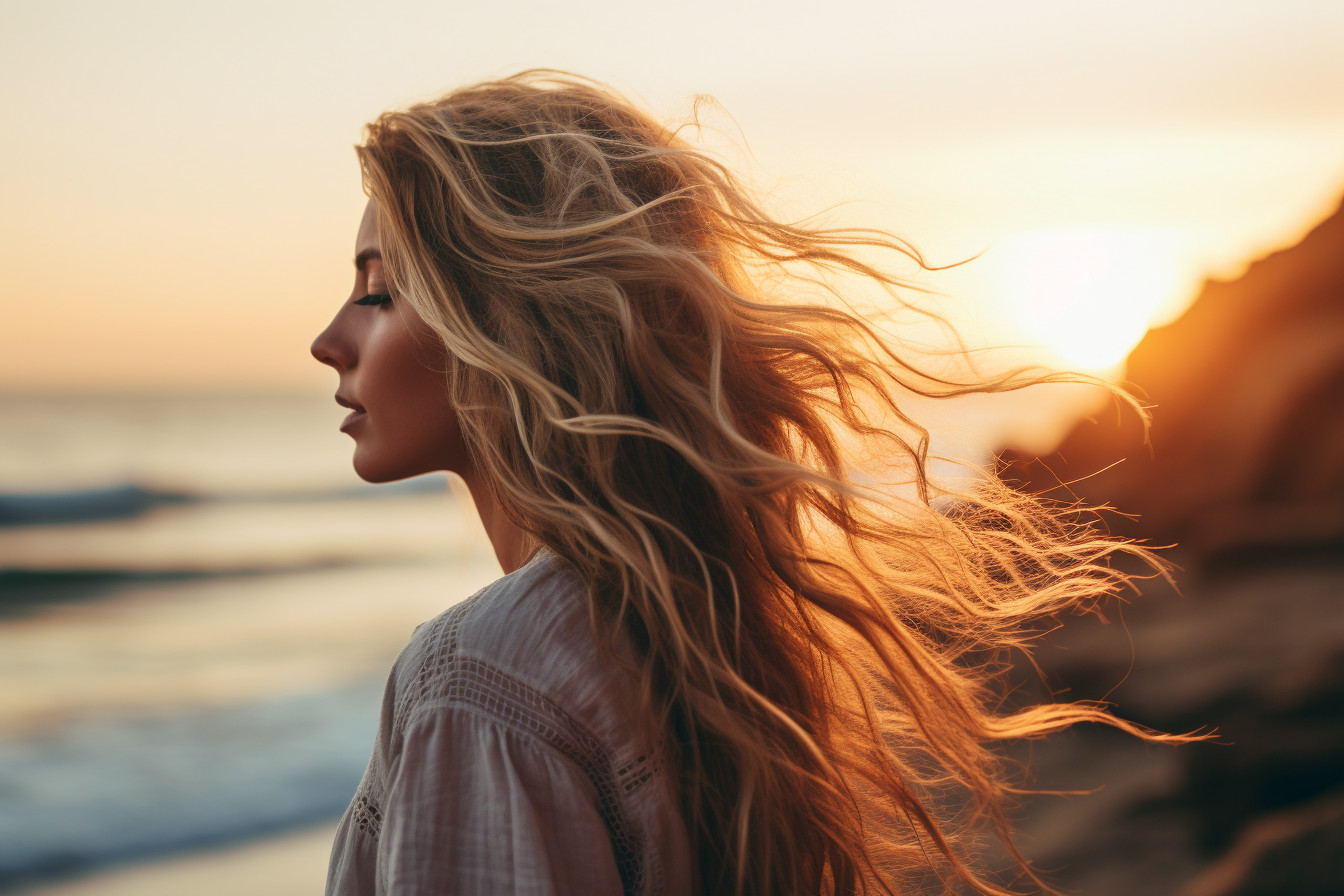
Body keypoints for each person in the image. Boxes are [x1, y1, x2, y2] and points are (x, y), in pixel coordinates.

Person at [310, 71, 1177, 896]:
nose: (328, 339)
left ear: (505, 316)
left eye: (379, 292)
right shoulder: (703, 627)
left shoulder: (482, 679)